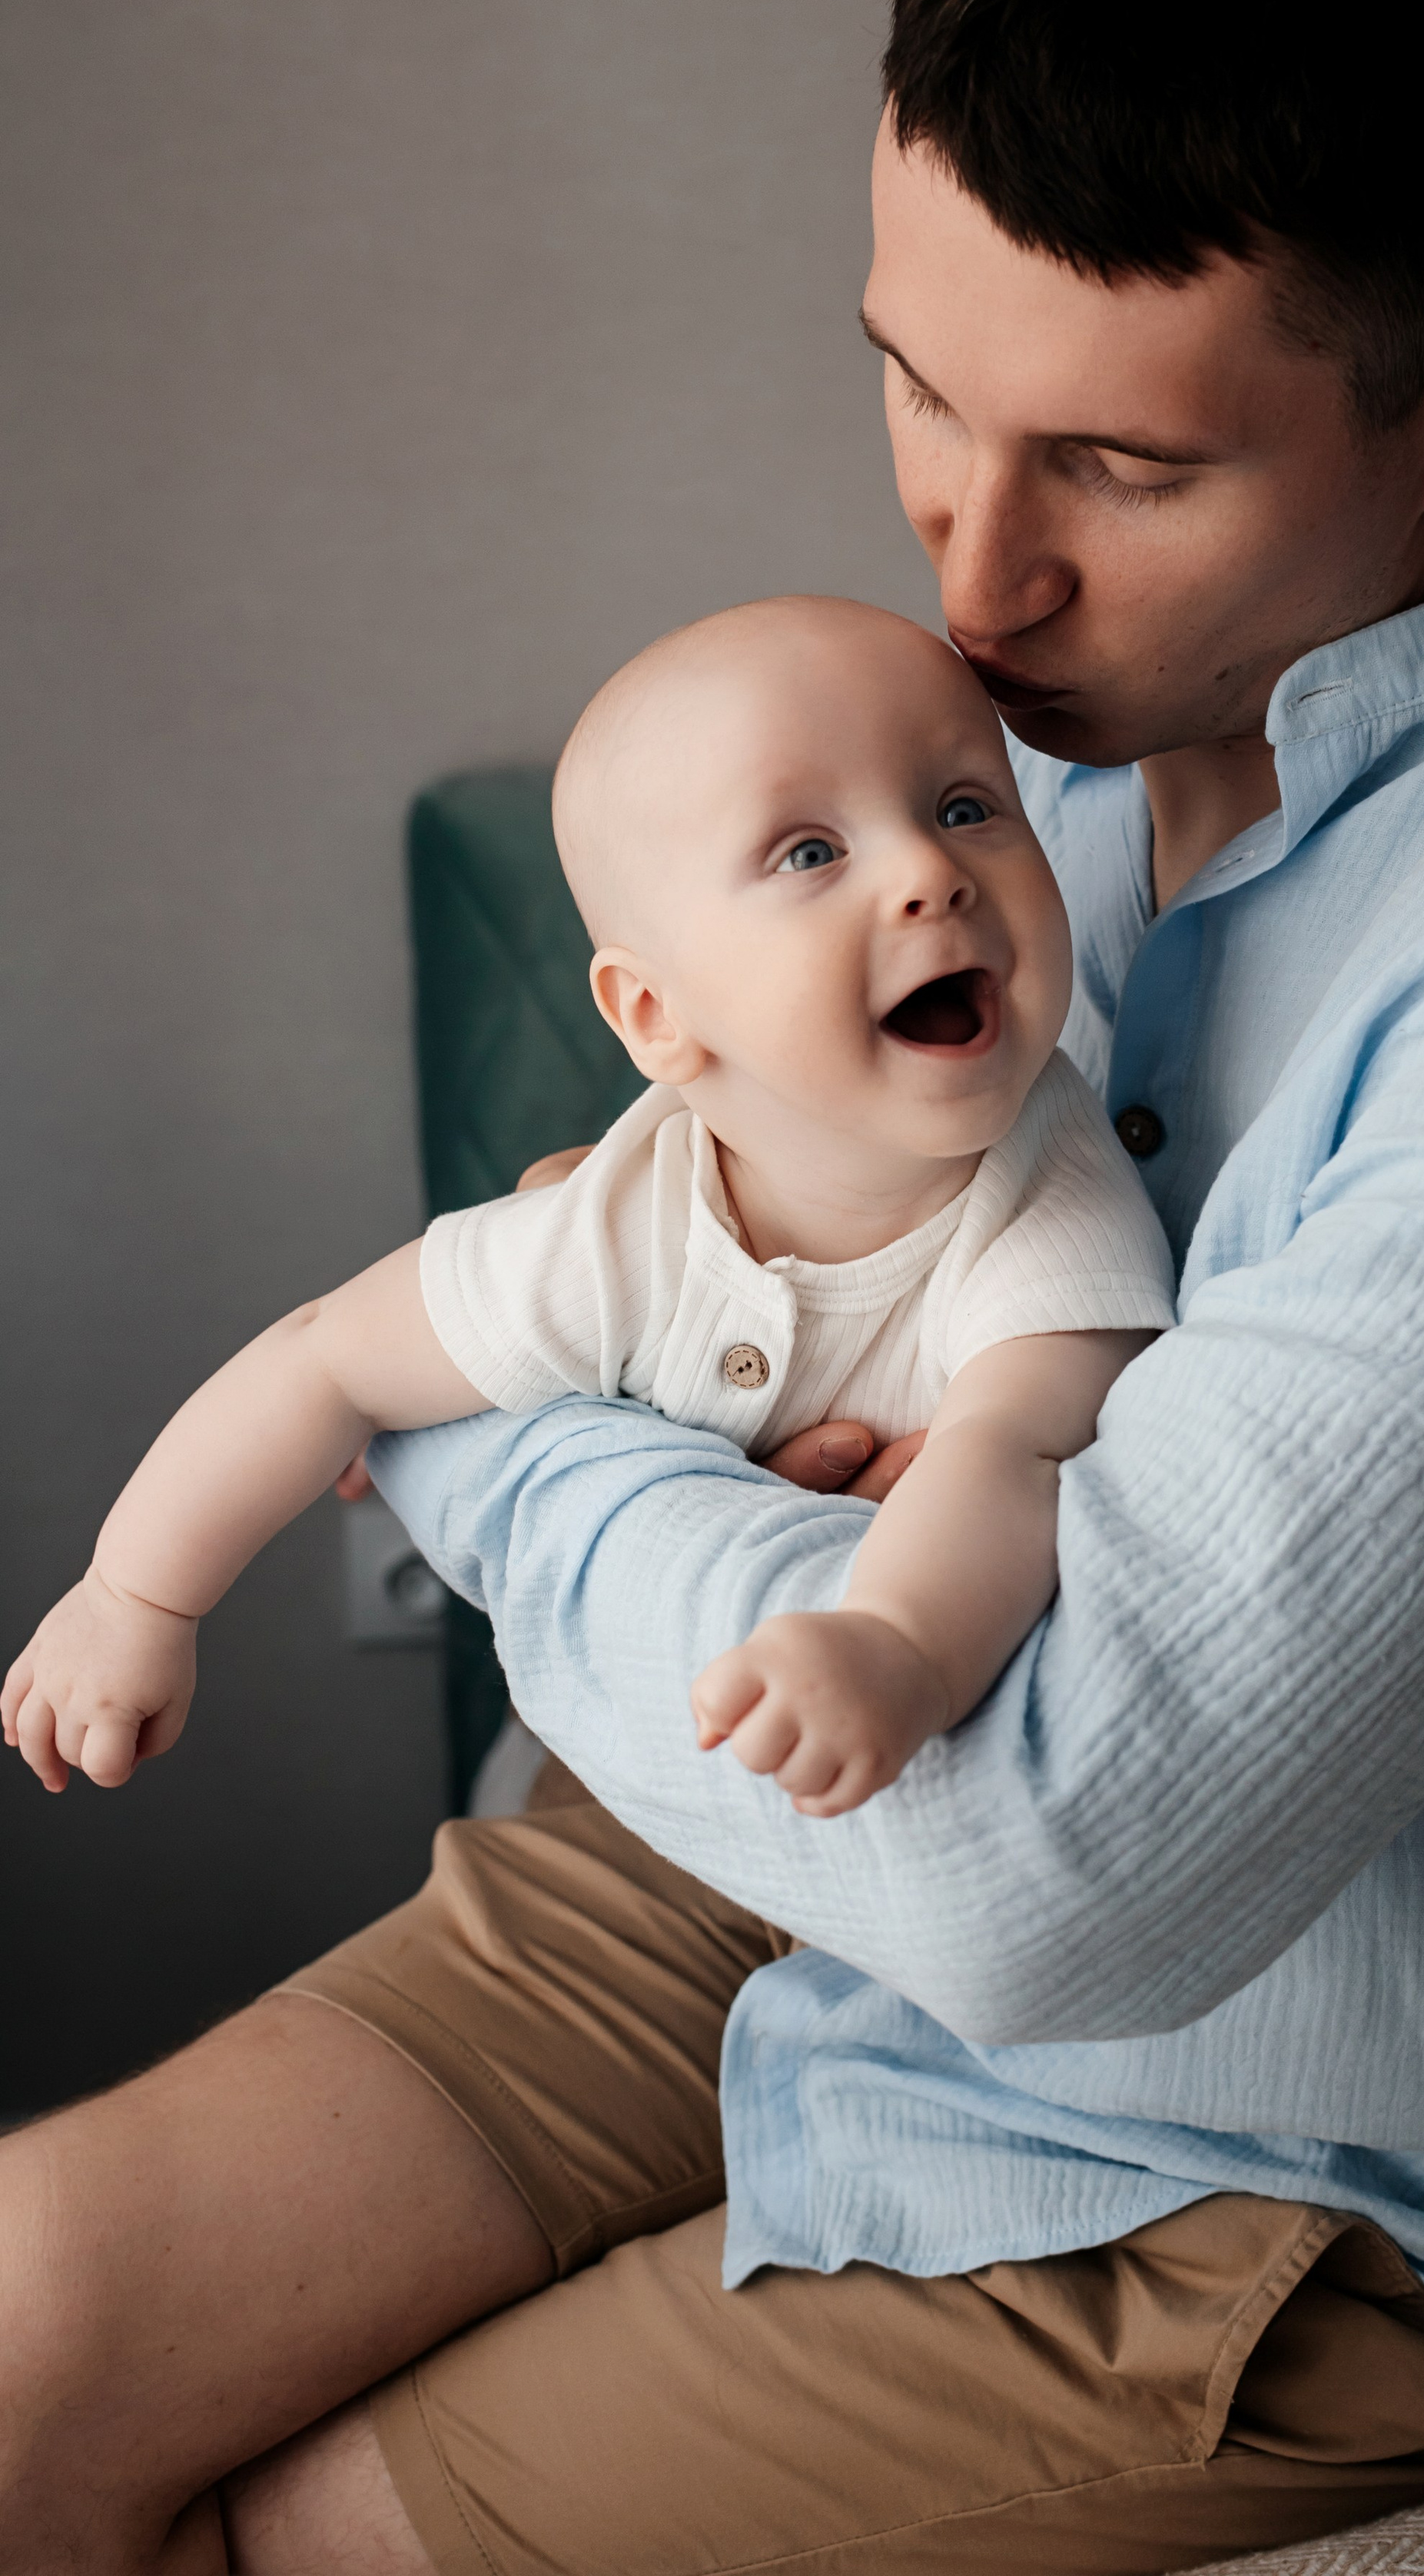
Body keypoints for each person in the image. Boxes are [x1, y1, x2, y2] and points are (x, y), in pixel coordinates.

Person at [0, 0, 1424, 2576]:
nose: (975, 584)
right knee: (27, 2343)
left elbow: (1049, 1874)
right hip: (740, 1882)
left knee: (285, 2536)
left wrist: (486, 1417)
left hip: (1269, 2173)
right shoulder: (1027, 774)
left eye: (1126, 472)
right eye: (915, 386)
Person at [2, 598, 1171, 1822]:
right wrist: (134, 1597)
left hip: (900, 1770)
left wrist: (897, 1651)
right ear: (657, 1016)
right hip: (627, 1766)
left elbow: (1008, 1459)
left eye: (966, 808)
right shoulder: (608, 1230)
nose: (931, 872)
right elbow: (322, 1364)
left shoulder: (1050, 1202)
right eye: (810, 852)